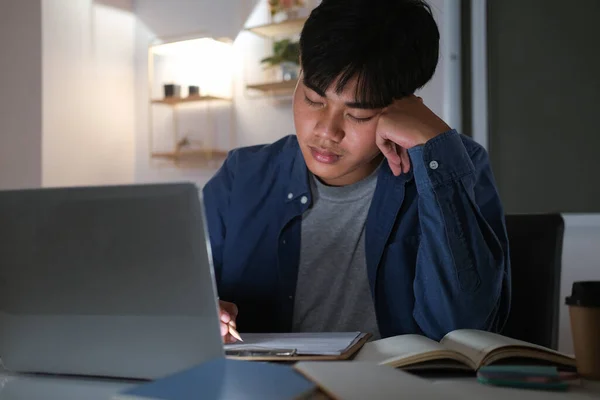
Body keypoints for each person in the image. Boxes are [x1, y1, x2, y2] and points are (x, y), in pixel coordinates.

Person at [203, 0, 511, 344]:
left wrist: (434, 148)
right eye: (313, 100)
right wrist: (201, 313)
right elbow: (179, 295)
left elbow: (464, 331)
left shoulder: (457, 165)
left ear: (402, 106)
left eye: (358, 115)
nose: (327, 131)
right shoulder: (241, 177)